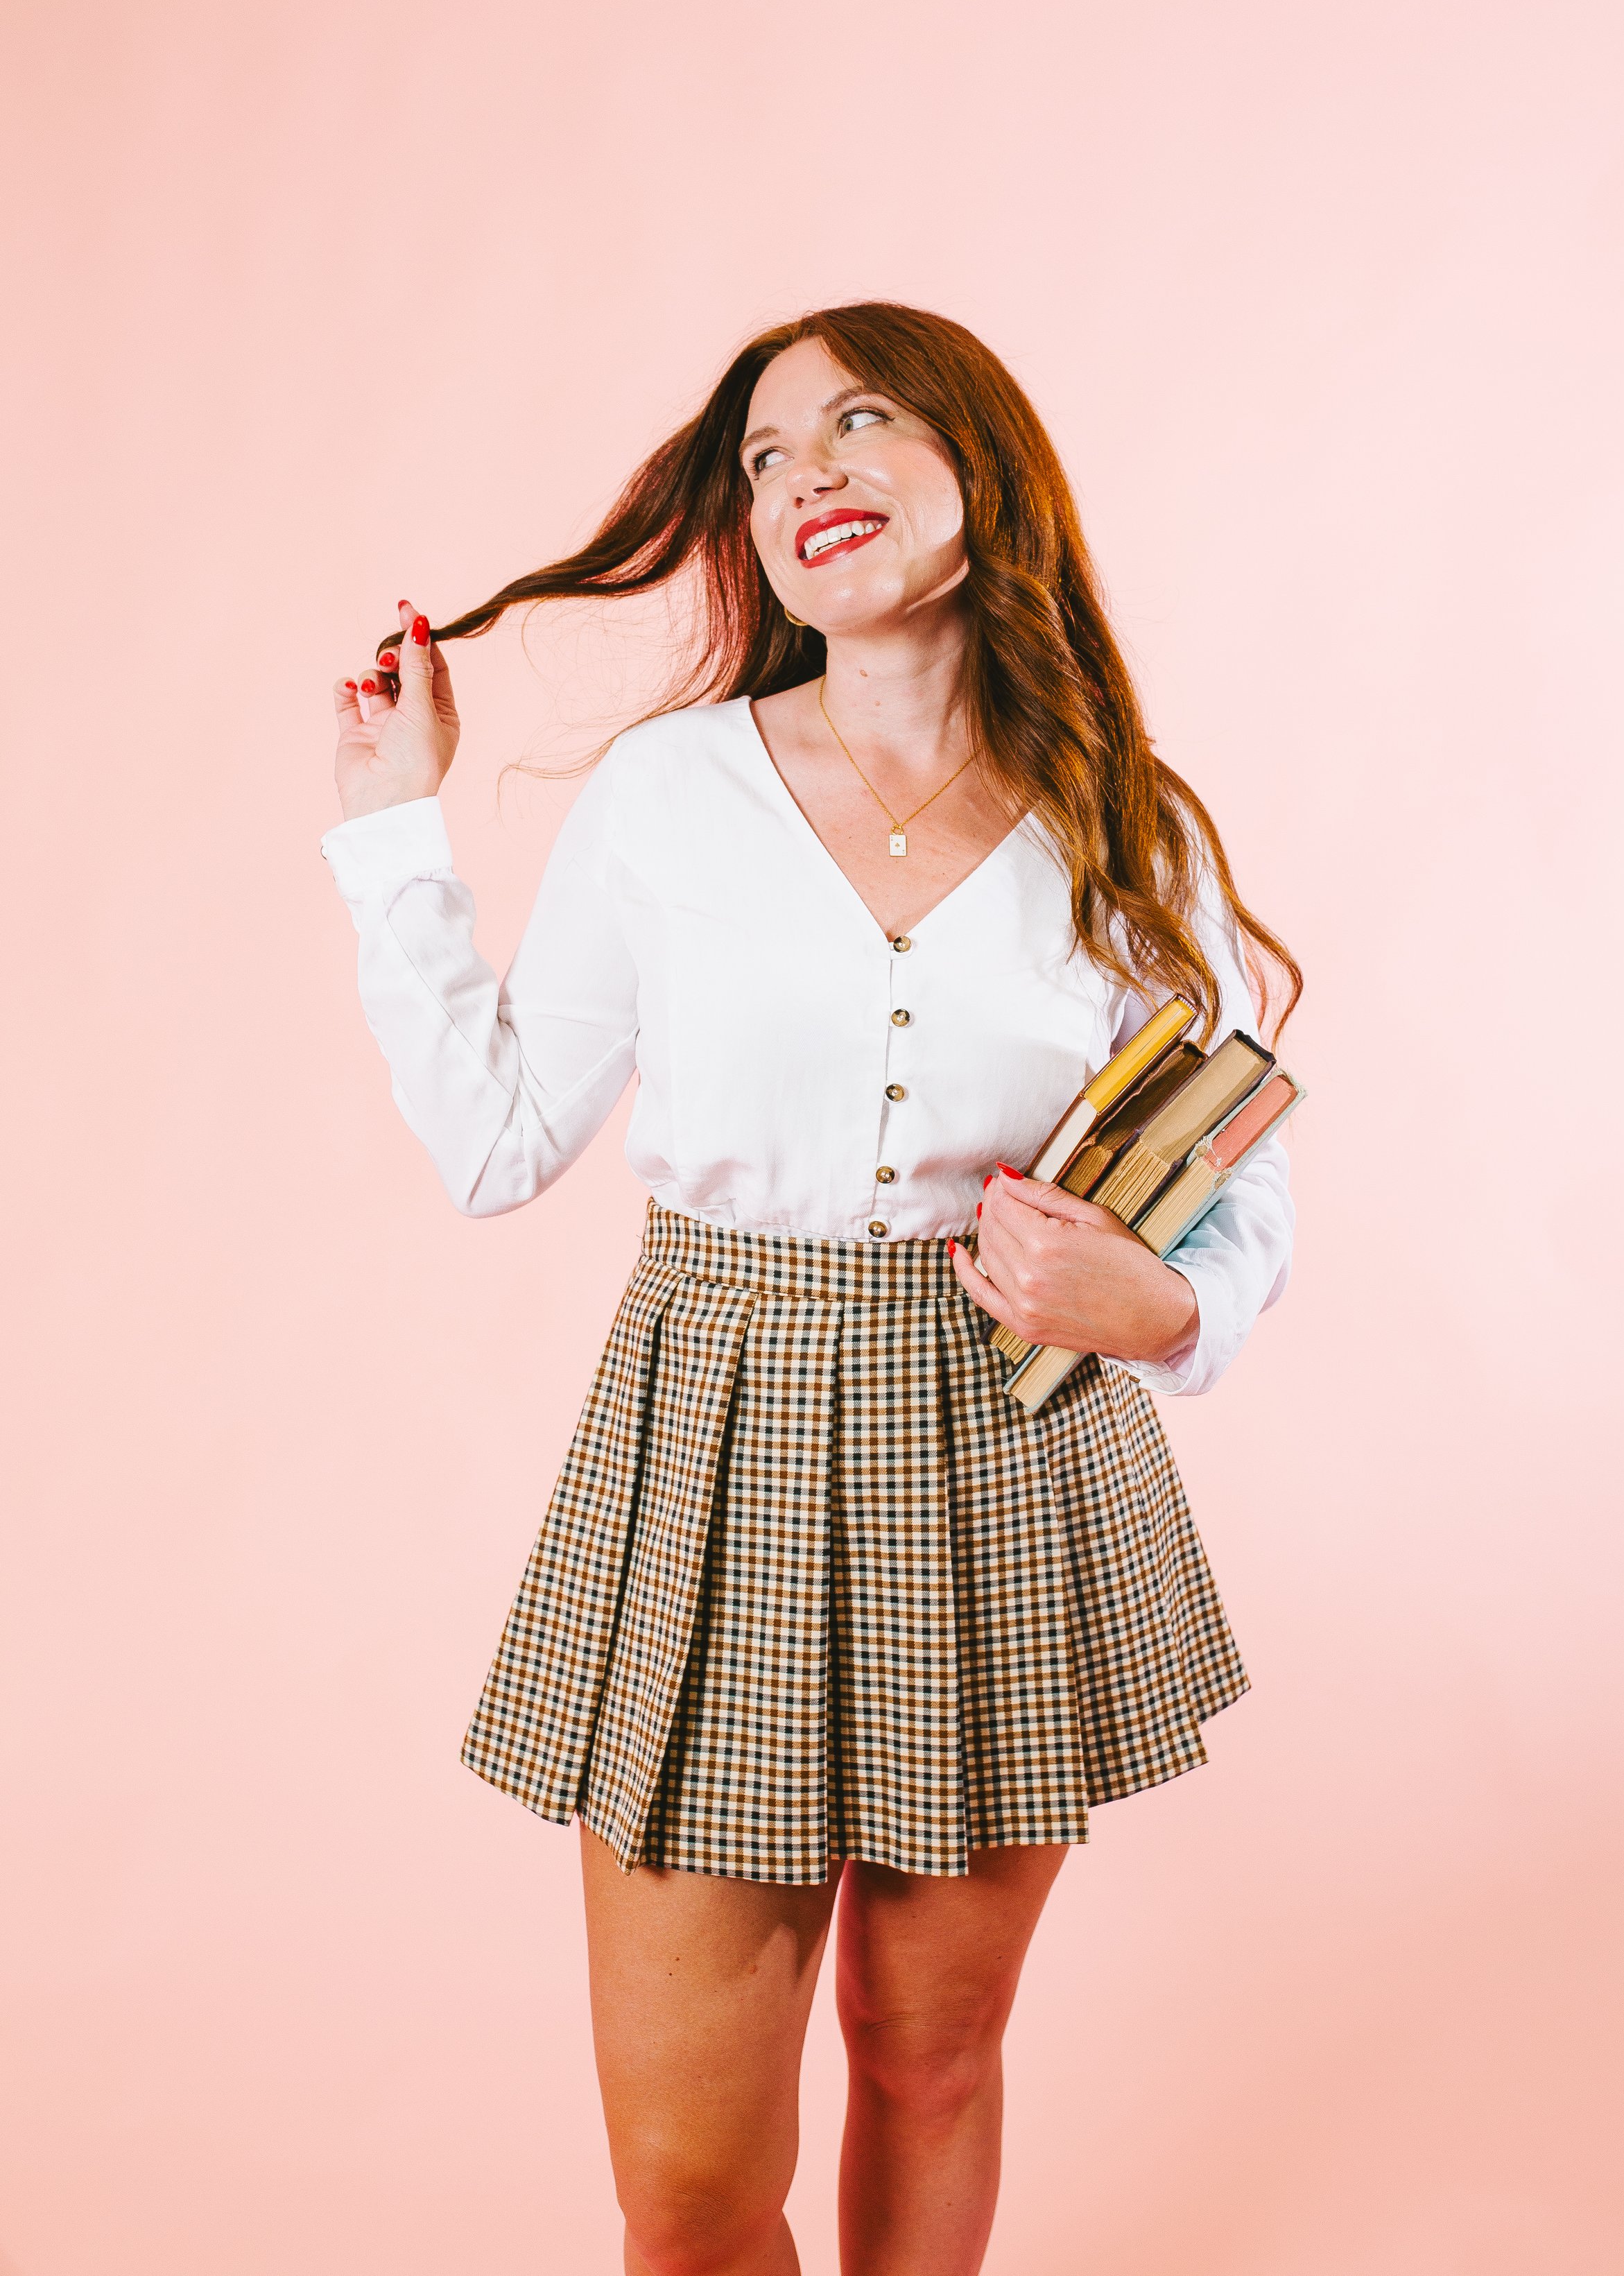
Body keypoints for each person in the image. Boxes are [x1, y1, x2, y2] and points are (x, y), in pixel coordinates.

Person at [323, 303, 1300, 2276]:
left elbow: (1236, 1188)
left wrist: (1166, 1311)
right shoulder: (670, 795)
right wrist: (388, 841)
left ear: (978, 471)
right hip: (716, 1442)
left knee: (928, 2060)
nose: (802, 478)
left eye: (857, 425)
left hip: (1006, 1453)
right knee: (689, 2191)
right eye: (764, 459)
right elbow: (499, 1140)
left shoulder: (1128, 820)